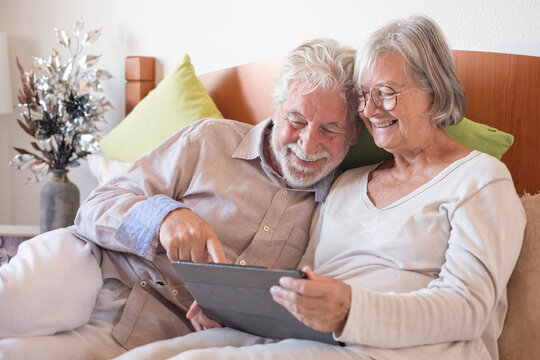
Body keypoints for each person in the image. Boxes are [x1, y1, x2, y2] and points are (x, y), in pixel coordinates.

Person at [113, 15, 526, 360]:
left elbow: (470, 308)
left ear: (433, 92)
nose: (369, 110)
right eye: (364, 96)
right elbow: (303, 281)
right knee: (151, 355)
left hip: (398, 349)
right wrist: (238, 306)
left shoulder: (480, 179)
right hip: (312, 338)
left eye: (385, 93)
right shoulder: (345, 183)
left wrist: (350, 310)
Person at [0, 38, 359, 359]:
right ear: (276, 108)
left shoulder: (340, 207)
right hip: (89, 263)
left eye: (330, 129)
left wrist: (234, 312)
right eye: (296, 121)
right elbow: (96, 205)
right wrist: (164, 217)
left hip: (148, 333)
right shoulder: (209, 139)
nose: (308, 144)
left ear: (354, 134)